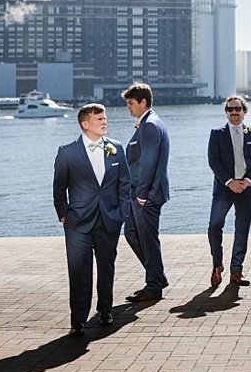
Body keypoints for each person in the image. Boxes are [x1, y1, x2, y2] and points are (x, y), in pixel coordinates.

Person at [52, 104, 131, 336]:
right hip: (77, 224)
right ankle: (78, 320)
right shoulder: (67, 152)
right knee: (78, 272)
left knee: (106, 268)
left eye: (105, 118)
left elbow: (124, 184)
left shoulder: (116, 148)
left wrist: (121, 213)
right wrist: (63, 215)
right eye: (99, 119)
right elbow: (59, 189)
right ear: (85, 124)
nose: (105, 122)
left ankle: (105, 310)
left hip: (109, 220)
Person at [206, 95, 251, 288]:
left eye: (238, 109)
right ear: (226, 112)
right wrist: (229, 182)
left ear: (244, 111)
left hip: (247, 189)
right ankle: (217, 265)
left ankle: (236, 271)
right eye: (230, 109)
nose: (234, 113)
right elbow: (213, 161)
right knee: (214, 225)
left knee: (242, 230)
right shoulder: (217, 133)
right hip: (224, 188)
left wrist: (247, 181)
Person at [120, 81, 170, 304]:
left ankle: (153, 286)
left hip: (145, 195)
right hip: (141, 193)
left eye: (131, 103)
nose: (128, 107)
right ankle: (157, 277)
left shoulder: (149, 125)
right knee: (132, 233)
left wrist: (141, 194)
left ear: (143, 102)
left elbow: (148, 163)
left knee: (147, 239)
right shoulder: (149, 123)